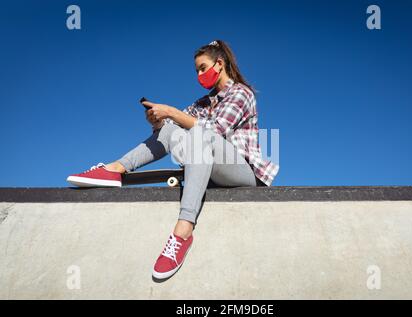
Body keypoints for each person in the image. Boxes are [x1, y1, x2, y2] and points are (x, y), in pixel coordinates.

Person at [66, 40, 279, 280]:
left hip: (243, 172)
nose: (199, 74)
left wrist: (171, 111)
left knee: (199, 132)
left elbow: (216, 130)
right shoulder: (203, 103)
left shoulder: (241, 93)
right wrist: (159, 121)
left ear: (219, 64)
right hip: (211, 168)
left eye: (203, 67)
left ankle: (183, 232)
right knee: (170, 129)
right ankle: (115, 169)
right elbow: (174, 125)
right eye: (196, 70)